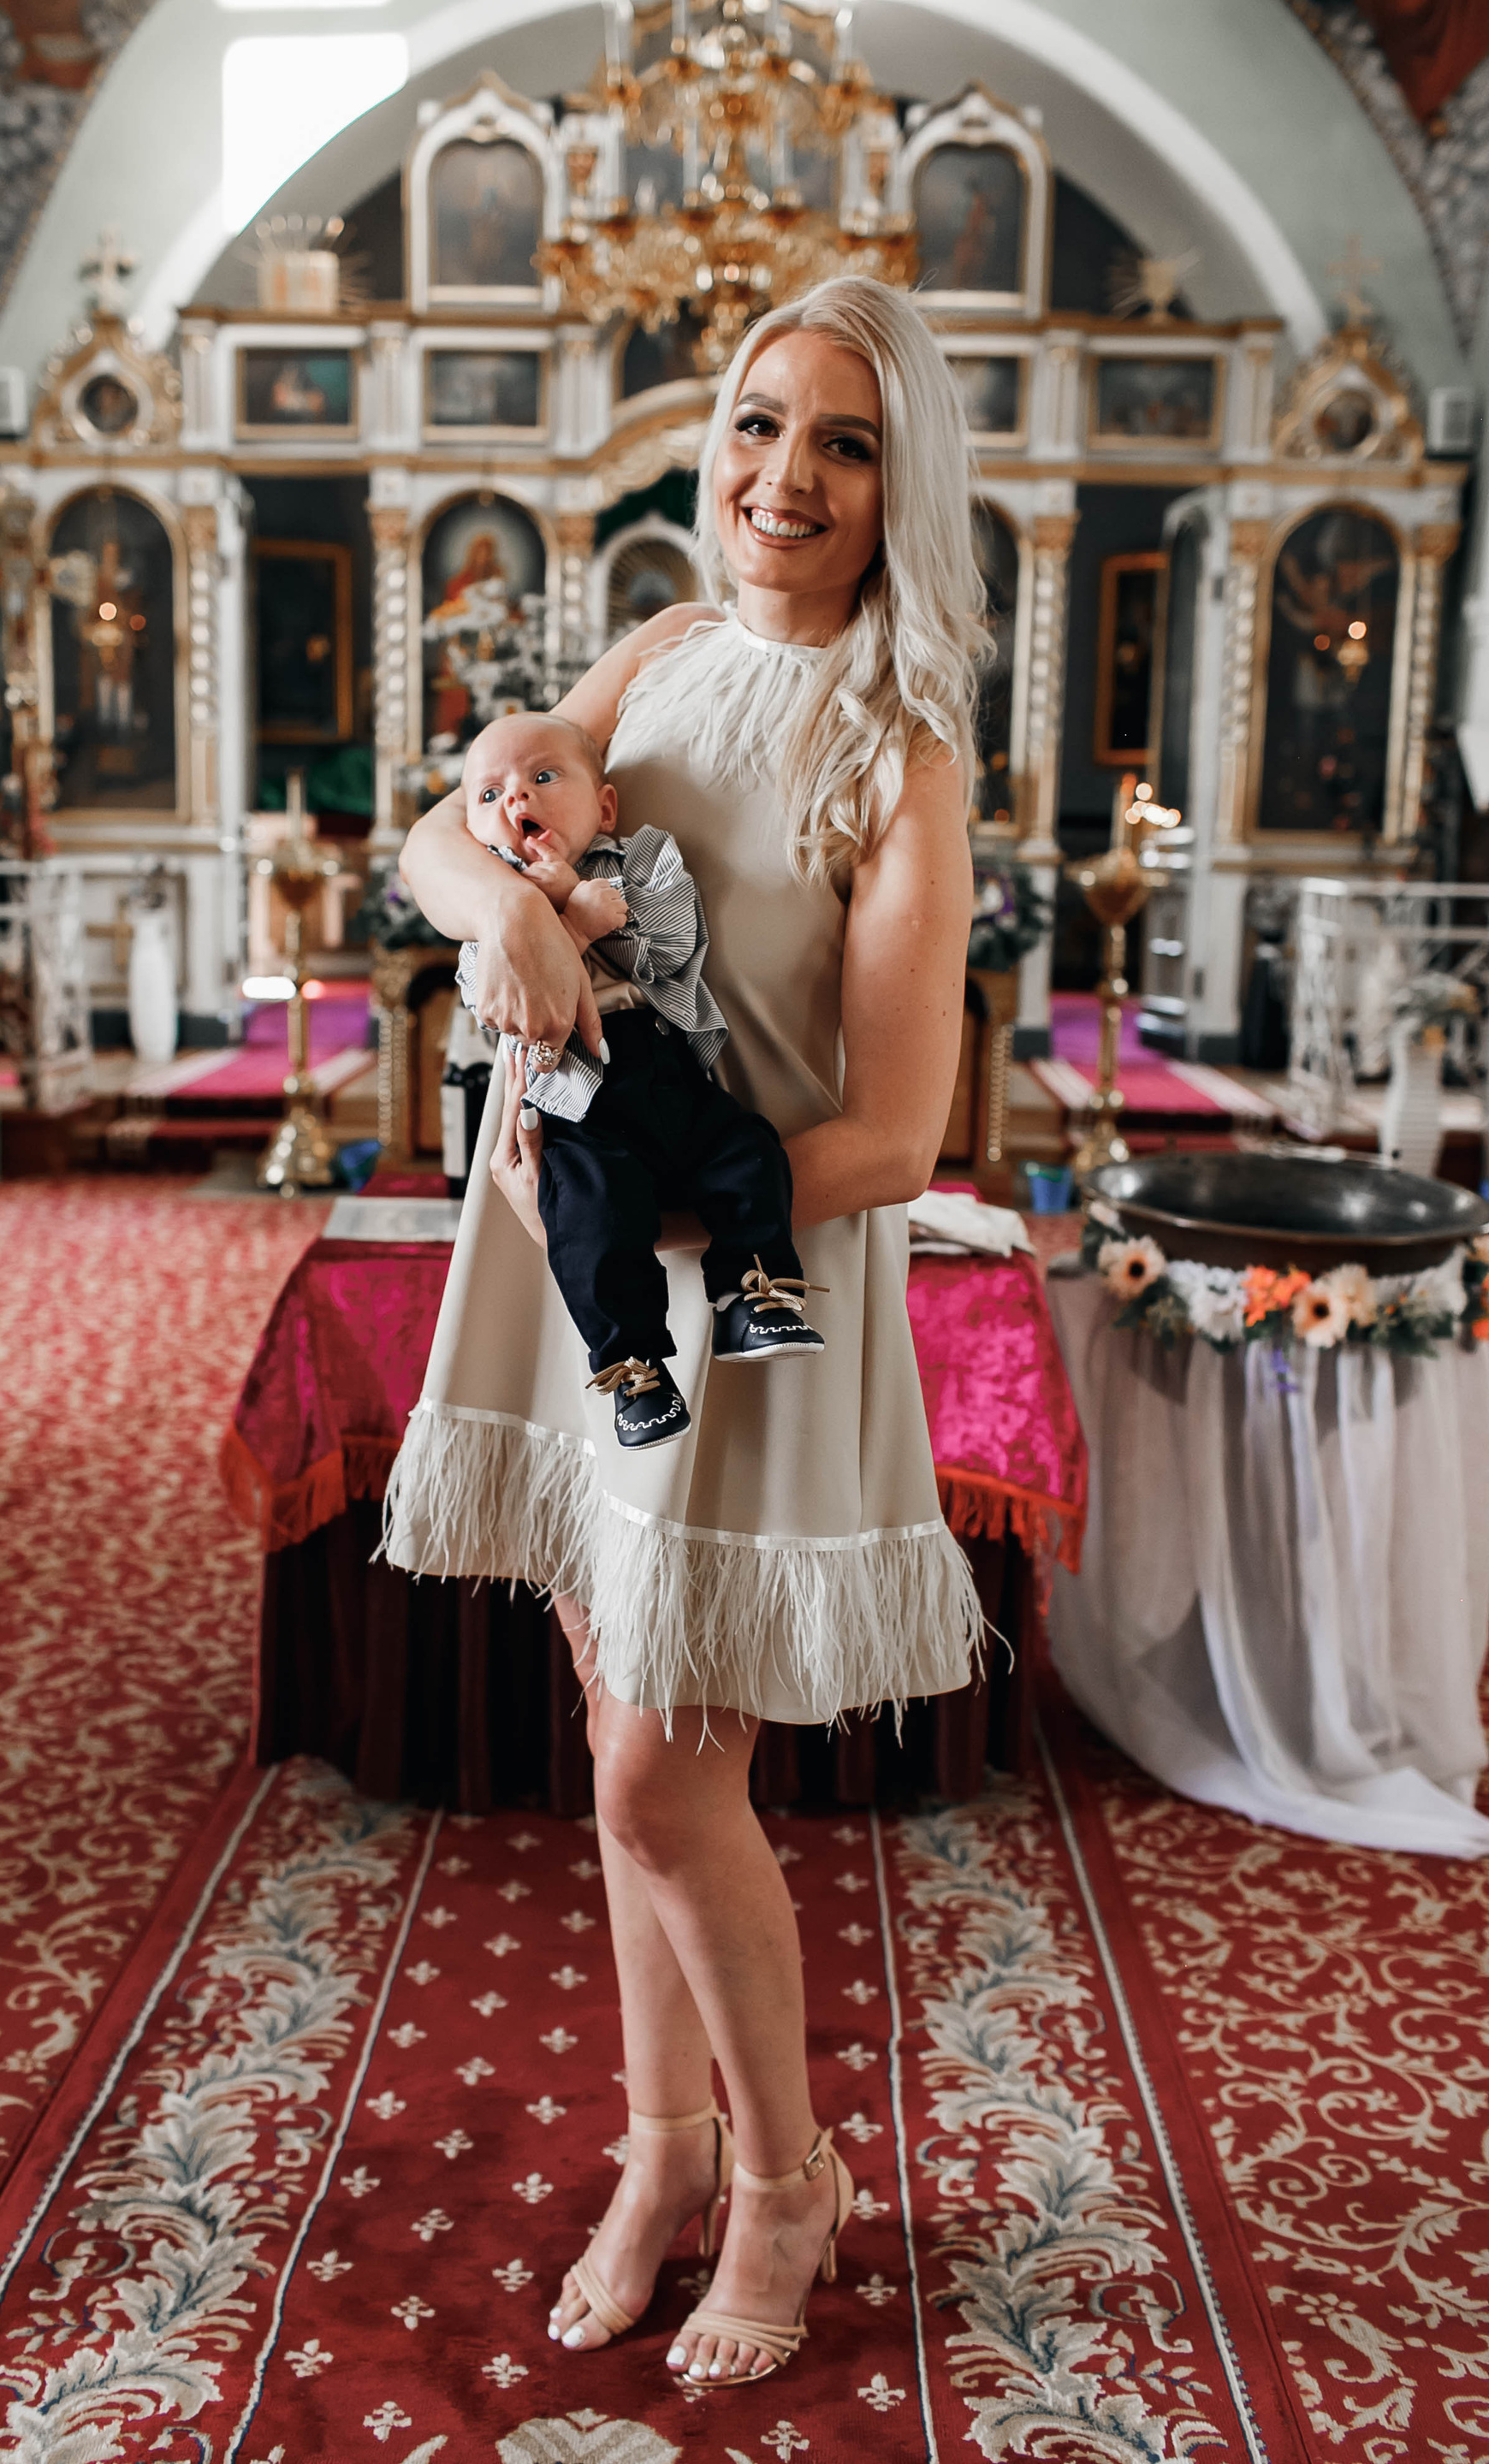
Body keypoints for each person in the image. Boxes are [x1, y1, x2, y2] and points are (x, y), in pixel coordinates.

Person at [388, 274, 986, 2390]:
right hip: (572, 1275)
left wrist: (636, 1207)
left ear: (900, 486)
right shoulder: (650, 654)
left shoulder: (903, 757)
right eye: (756, 421)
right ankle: (660, 2150)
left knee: (657, 1774)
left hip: (728, 1293)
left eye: (841, 441)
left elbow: (893, 1134)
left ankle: (784, 2179)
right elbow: (448, 829)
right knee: (612, 1732)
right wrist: (509, 905)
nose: (780, 474)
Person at [453, 709, 826, 1447]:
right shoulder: (489, 917)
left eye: (543, 776)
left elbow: (675, 945)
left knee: (747, 1150)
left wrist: (588, 902)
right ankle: (634, 1370)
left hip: (663, 1063)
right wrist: (567, 922)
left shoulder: (642, 859)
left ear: (605, 806)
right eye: (490, 795)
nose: (517, 799)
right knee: (590, 1218)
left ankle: (752, 1294)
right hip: (579, 1105)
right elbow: (501, 1011)